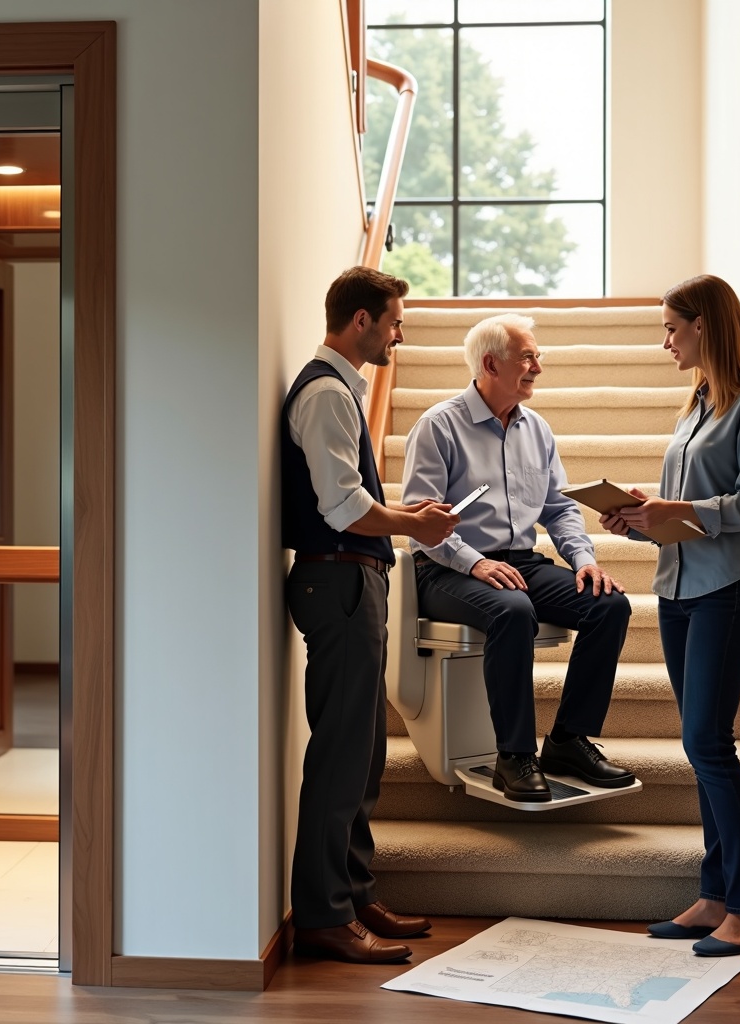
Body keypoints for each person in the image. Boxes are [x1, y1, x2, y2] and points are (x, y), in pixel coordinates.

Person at [601, 274, 740, 958]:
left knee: (709, 744)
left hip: (729, 591)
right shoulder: (698, 403)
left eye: (671, 329)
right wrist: (641, 516)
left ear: (704, 325)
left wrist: (674, 509)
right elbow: (687, 512)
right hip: (679, 590)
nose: (665, 343)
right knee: (698, 743)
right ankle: (714, 895)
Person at [282, 266, 459, 964]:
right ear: (361, 321)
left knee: (365, 753)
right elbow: (343, 508)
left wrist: (407, 517)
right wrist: (414, 524)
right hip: (338, 582)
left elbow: (350, 502)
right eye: (394, 323)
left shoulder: (341, 391)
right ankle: (324, 916)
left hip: (353, 580)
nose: (398, 336)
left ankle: (352, 895)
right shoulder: (326, 393)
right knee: (340, 753)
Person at [402, 313, 635, 803]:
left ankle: (568, 740)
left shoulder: (537, 429)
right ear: (491, 364)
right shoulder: (438, 426)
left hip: (521, 562)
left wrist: (583, 559)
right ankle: (514, 756)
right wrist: (475, 562)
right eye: (528, 357)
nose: (538, 368)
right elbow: (422, 524)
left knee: (609, 605)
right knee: (513, 610)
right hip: (445, 566)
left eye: (537, 357)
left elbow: (559, 508)